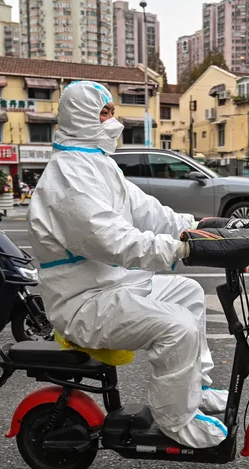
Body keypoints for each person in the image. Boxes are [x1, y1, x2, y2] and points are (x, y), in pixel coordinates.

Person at [27, 81, 229, 449]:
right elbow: (111, 240)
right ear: (81, 116)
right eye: (103, 114)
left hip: (115, 286)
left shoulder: (99, 165)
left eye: (112, 113)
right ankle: (175, 419)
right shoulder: (67, 177)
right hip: (82, 301)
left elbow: (148, 211)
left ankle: (195, 389)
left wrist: (196, 226)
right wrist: (181, 249)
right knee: (178, 327)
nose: (112, 122)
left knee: (188, 292)